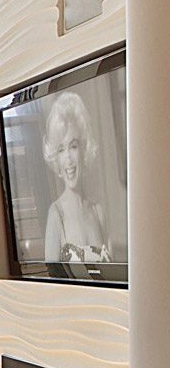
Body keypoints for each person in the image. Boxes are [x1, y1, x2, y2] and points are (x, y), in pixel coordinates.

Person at [42, 90, 110, 264]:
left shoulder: (98, 212)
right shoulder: (56, 215)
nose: (68, 159)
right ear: (56, 159)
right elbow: (50, 280)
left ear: (84, 150)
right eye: (61, 150)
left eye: (73, 146)